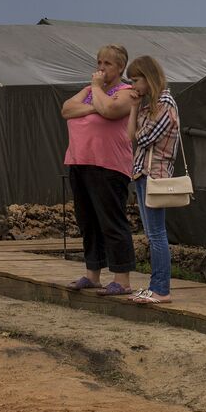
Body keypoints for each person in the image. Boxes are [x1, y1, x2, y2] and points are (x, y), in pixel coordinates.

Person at [61, 45, 140, 294]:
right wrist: (94, 102)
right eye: (99, 62)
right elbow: (66, 110)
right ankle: (92, 274)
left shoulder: (127, 92)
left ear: (120, 68)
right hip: (79, 161)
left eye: (107, 64)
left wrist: (96, 91)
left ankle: (122, 279)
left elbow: (111, 110)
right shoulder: (88, 91)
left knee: (111, 221)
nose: (101, 68)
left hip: (108, 165)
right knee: (88, 221)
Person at [126, 55, 179, 304]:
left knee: (157, 234)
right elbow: (131, 136)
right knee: (151, 233)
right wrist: (135, 107)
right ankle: (155, 287)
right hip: (141, 173)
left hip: (154, 175)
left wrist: (138, 123)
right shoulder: (150, 105)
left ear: (148, 77)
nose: (133, 86)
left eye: (136, 80)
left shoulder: (166, 103)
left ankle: (161, 289)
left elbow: (143, 138)